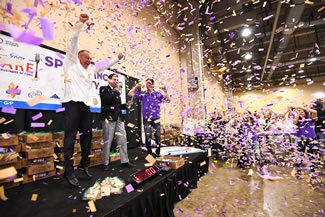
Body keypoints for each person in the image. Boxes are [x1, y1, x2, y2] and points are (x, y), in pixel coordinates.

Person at [62, 14, 124, 187]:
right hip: (72, 105)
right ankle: (69, 171)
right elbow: (73, 41)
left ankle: (84, 164)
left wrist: (117, 58)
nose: (90, 60)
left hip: (85, 108)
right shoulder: (71, 62)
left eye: (90, 58)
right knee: (70, 137)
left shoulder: (91, 69)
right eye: (87, 57)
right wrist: (80, 24)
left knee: (86, 137)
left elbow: (104, 65)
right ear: (79, 57)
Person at [99, 73, 135, 171]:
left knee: (123, 139)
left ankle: (125, 161)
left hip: (119, 118)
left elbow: (117, 105)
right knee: (108, 140)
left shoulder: (116, 92)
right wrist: (116, 91)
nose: (116, 81)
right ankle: (105, 163)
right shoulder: (103, 89)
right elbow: (107, 101)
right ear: (109, 80)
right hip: (108, 118)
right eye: (114, 79)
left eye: (117, 79)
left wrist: (126, 105)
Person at [128, 78, 171, 155]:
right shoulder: (143, 94)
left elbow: (168, 100)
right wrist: (136, 87)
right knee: (148, 136)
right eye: (147, 83)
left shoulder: (157, 94)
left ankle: (158, 151)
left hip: (156, 118)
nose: (148, 85)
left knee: (157, 135)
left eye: (150, 83)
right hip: (146, 118)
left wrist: (165, 91)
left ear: (153, 85)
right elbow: (130, 94)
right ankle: (149, 152)